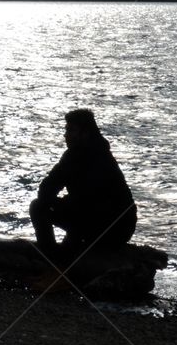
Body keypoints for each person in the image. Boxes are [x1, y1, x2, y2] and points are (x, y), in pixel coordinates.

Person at [29, 109, 136, 259]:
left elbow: (89, 203)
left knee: (37, 207)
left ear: (85, 133)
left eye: (71, 130)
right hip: (117, 227)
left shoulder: (87, 156)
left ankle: (51, 259)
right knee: (73, 211)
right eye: (66, 130)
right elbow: (47, 190)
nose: (66, 135)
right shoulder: (99, 152)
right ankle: (60, 254)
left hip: (110, 228)